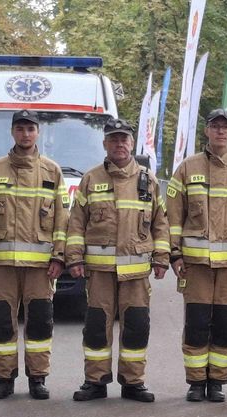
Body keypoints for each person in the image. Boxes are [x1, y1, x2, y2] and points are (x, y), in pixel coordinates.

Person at [66, 118, 170, 402]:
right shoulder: (91, 179)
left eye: (124, 139)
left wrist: (162, 257)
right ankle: (95, 381)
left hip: (136, 274)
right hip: (99, 272)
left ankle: (133, 382)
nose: (119, 144)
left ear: (132, 143)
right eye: (113, 139)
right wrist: (74, 257)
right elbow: (76, 222)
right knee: (97, 327)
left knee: (136, 326)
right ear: (105, 144)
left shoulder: (148, 180)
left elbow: (161, 223)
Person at [166, 109, 227, 402]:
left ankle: (218, 382)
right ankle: (196, 382)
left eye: (225, 127)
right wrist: (174, 254)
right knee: (196, 323)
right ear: (206, 131)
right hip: (195, 266)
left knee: (224, 324)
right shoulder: (187, 168)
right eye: (215, 126)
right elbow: (173, 216)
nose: (220, 131)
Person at [0, 110, 69, 400]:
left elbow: (62, 220)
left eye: (30, 129)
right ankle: (4, 378)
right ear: (12, 132)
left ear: (38, 132)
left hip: (41, 267)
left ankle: (37, 378)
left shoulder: (52, 171)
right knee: (2, 323)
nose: (25, 134)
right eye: (20, 128)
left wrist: (59, 257)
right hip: (2, 265)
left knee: (40, 322)